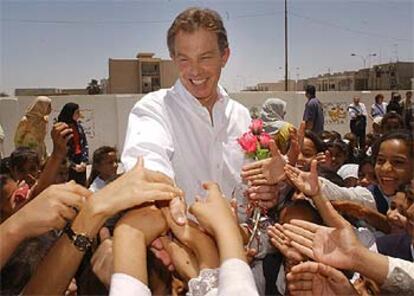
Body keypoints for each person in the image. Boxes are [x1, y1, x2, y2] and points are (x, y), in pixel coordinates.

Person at [121, 8, 252, 208]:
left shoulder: (241, 116)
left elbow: (250, 185)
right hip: (182, 237)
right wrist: (163, 196)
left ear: (224, 56)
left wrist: (268, 189)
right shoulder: (154, 109)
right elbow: (147, 158)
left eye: (205, 57)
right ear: (173, 58)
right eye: (184, 59)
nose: (195, 70)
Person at [57, 102, 89, 185]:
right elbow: (61, 149)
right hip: (68, 163)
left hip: (80, 160)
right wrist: (73, 165)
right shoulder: (62, 128)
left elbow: (84, 143)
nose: (79, 115)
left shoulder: (79, 127)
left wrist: (84, 161)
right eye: (77, 112)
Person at [14, 96, 52, 161]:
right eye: (48, 106)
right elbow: (17, 139)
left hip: (40, 152)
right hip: (27, 154)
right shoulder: (25, 121)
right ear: (41, 106)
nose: (51, 108)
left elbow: (41, 140)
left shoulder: (43, 120)